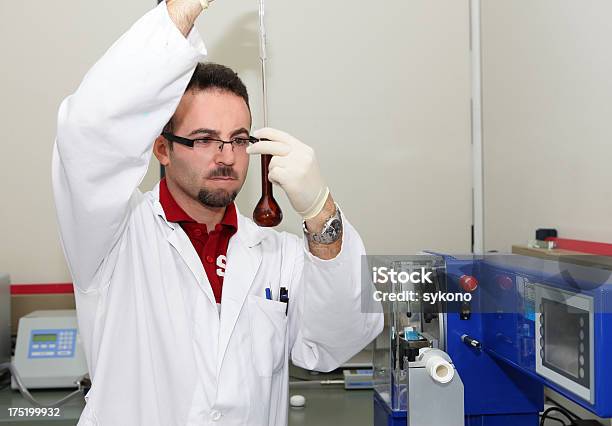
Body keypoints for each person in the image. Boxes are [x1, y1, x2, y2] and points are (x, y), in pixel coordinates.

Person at [51, 0, 383, 424]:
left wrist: (321, 210)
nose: (227, 156)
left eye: (239, 139)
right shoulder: (111, 236)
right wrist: (181, 11)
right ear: (162, 147)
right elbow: (86, 135)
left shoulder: (275, 254)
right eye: (205, 139)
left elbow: (340, 339)